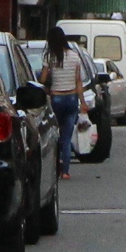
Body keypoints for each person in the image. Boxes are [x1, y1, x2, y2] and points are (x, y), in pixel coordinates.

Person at [40, 26, 89, 177]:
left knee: (54, 135)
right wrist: (83, 103)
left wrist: (44, 88)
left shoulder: (50, 57)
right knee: (66, 138)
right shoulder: (75, 56)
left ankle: (55, 168)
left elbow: (42, 79)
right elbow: (79, 82)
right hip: (72, 99)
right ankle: (66, 172)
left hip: (56, 98)